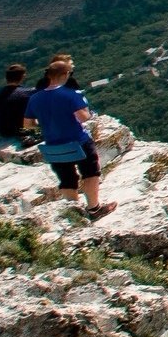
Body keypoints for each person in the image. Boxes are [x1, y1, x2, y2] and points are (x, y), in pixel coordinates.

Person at [25, 53, 112, 217]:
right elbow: (84, 116)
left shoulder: (35, 98)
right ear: (65, 75)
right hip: (77, 142)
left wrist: (45, 124)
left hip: (52, 146)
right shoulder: (71, 94)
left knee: (66, 178)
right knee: (90, 172)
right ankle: (94, 208)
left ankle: (75, 213)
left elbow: (27, 124)